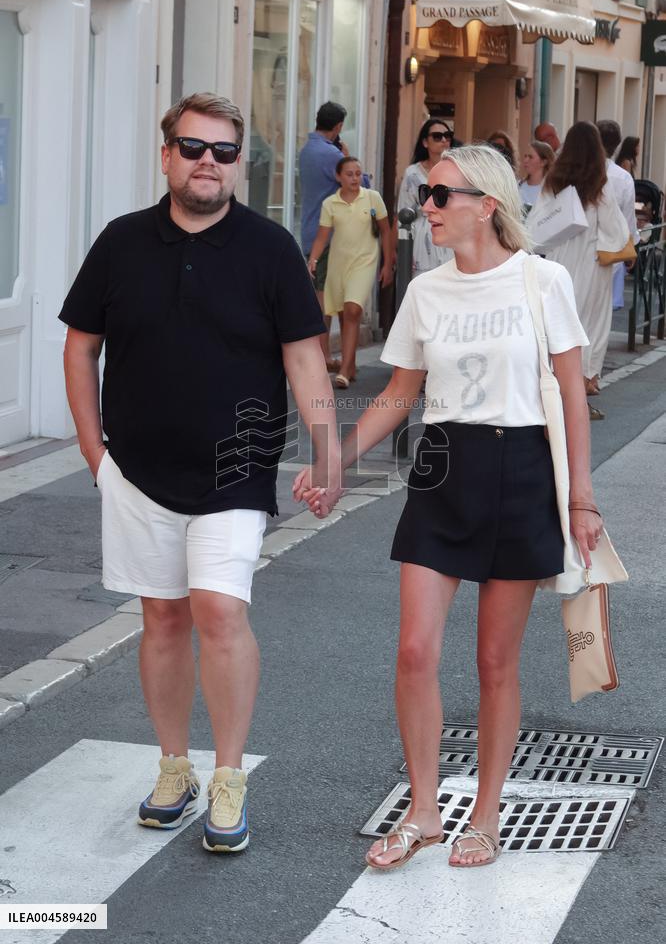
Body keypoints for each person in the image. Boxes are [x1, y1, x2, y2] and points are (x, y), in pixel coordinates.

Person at [295, 143, 599, 869]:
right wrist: (336, 461)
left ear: (485, 205)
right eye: (424, 197)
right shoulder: (428, 291)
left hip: (524, 470)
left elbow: (573, 393)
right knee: (414, 650)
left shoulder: (542, 280)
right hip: (442, 468)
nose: (425, 209)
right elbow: (401, 394)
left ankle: (485, 816)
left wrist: (581, 499)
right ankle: (424, 811)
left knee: (496, 661)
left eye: (439, 197)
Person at [59, 92, 342, 855]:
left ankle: (228, 778)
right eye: (193, 148)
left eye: (222, 152)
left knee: (219, 612)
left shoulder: (271, 248)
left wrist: (328, 450)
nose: (207, 163)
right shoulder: (120, 243)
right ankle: (174, 767)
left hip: (236, 467)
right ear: (167, 156)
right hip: (139, 469)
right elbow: (81, 344)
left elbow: (304, 356)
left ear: (239, 165)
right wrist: (95, 451)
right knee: (162, 619)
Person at [533, 121, 629, 418]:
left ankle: (552, 390)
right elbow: (614, 230)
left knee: (556, 326)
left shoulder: (553, 181)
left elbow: (538, 223)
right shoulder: (599, 185)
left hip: (558, 260)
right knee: (587, 327)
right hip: (590, 264)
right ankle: (579, 395)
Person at [308, 157, 392, 388]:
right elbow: (322, 237)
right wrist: (312, 260)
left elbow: (386, 231)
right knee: (345, 315)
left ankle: (344, 370)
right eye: (349, 174)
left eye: (358, 173)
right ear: (338, 177)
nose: (355, 178)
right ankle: (351, 366)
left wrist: (388, 264)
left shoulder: (373, 198)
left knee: (353, 310)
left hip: (365, 262)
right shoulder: (330, 204)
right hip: (338, 264)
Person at [299, 101, 348, 372]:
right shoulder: (331, 155)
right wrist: (348, 156)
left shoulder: (306, 150)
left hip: (310, 229)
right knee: (324, 300)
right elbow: (358, 183)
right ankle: (323, 355)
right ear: (338, 126)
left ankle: (321, 354)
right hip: (326, 235)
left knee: (321, 297)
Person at [395, 118, 454, 276]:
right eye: (437, 136)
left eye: (447, 136)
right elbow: (403, 213)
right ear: (425, 142)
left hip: (451, 239)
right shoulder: (412, 173)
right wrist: (402, 248)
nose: (443, 140)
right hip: (422, 243)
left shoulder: (457, 171)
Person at [596, 120, 639, 315]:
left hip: (580, 250)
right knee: (602, 318)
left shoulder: (577, 172)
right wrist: (632, 246)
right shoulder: (623, 178)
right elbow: (628, 219)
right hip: (610, 252)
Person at [518, 140, 555, 209]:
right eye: (525, 156)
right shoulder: (518, 186)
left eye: (530, 157)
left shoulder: (551, 190)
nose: (525, 160)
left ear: (543, 162)